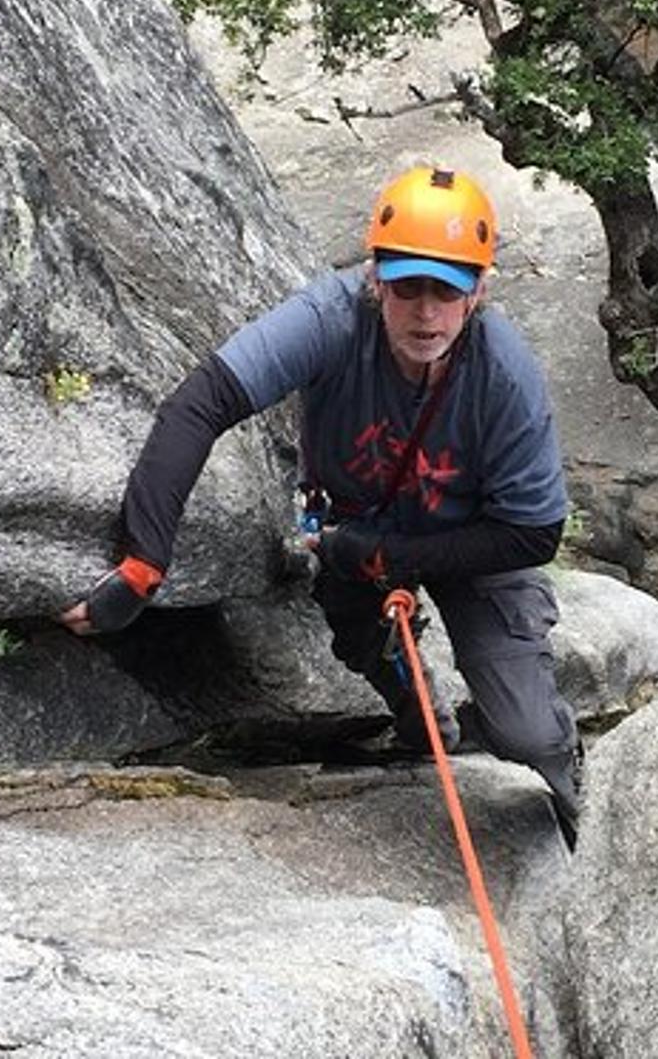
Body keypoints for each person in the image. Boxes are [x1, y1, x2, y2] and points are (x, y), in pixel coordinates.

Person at [58, 165, 583, 847]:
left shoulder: (504, 373)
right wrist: (142, 561)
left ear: (478, 291)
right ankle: (420, 713)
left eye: (446, 290)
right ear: (374, 278)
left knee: (526, 731)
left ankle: (573, 797)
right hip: (360, 524)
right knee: (361, 639)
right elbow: (202, 403)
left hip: (480, 542)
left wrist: (396, 556)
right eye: (407, 287)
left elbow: (535, 532)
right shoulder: (330, 318)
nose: (425, 312)